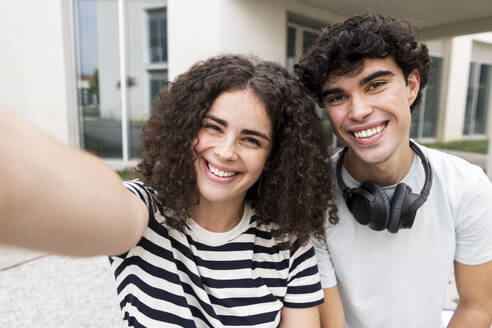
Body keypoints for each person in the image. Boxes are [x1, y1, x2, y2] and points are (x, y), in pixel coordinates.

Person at [0, 54, 340, 327]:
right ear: (186, 127)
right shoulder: (146, 213)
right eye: (212, 127)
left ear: (273, 158)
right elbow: (87, 199)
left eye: (251, 140)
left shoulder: (288, 241)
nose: (225, 151)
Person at [295, 13, 492, 328]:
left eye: (375, 85)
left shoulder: (467, 185)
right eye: (338, 97)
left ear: (411, 86)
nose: (358, 111)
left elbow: (476, 308)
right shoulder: (309, 194)